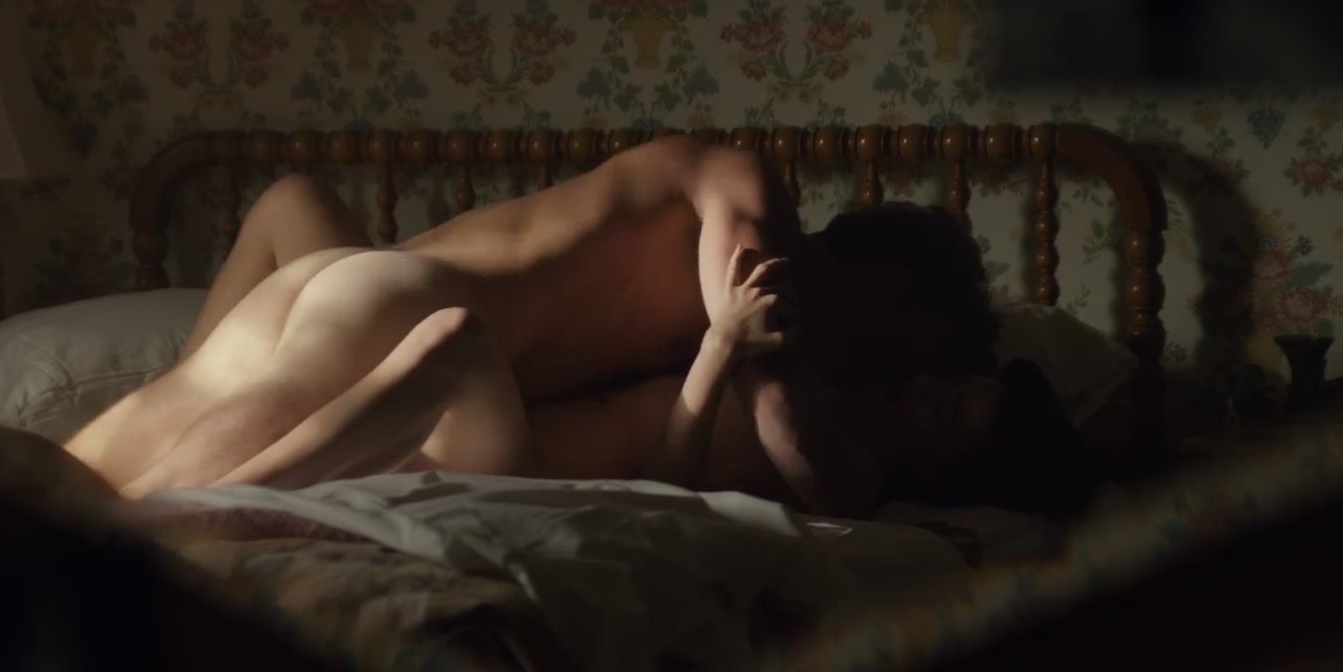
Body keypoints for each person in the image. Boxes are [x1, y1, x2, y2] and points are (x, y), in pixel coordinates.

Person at [68, 138, 1095, 514]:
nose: (884, 375)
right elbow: (787, 426)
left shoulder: (745, 333)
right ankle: (175, 506)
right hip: (406, 309)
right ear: (890, 291)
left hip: (390, 305)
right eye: (906, 357)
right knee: (165, 490)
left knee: (117, 451)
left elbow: (680, 463)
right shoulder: (747, 210)